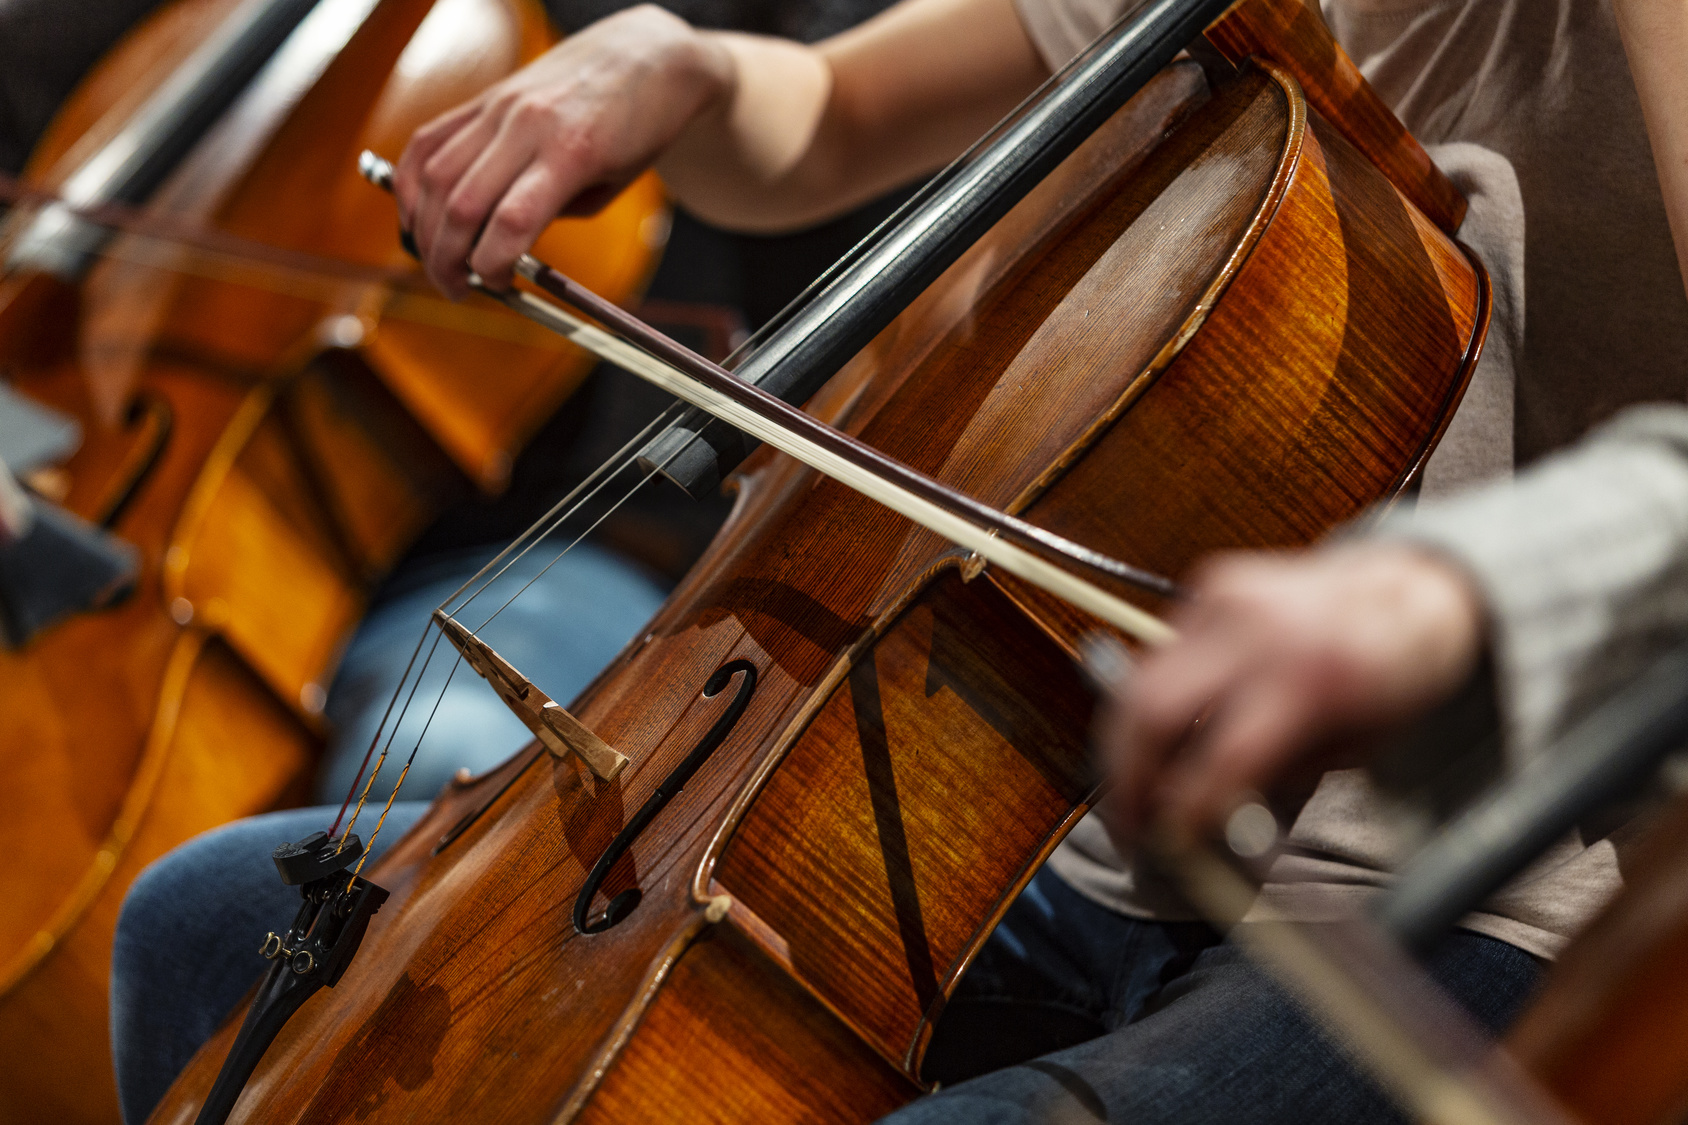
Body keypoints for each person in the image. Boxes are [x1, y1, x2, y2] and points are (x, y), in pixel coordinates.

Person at [108, 1, 1688, 1123]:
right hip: (1079, 821)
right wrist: (682, 64)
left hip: (1473, 882)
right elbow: (825, 125)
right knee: (209, 932)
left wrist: (1447, 587)